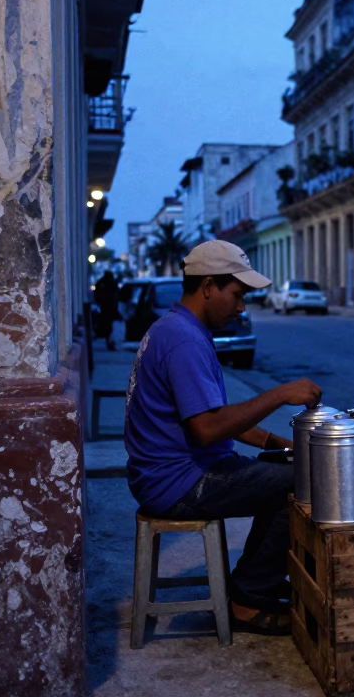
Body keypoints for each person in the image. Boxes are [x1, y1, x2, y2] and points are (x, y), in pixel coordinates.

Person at [124, 239, 322, 635]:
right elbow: (208, 428)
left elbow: (211, 415)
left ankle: (257, 583)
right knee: (308, 482)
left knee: (288, 468)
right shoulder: (184, 341)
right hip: (178, 482)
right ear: (209, 285)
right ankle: (249, 598)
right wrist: (281, 394)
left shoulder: (177, 328)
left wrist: (277, 444)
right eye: (237, 295)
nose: (241, 307)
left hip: (168, 472)